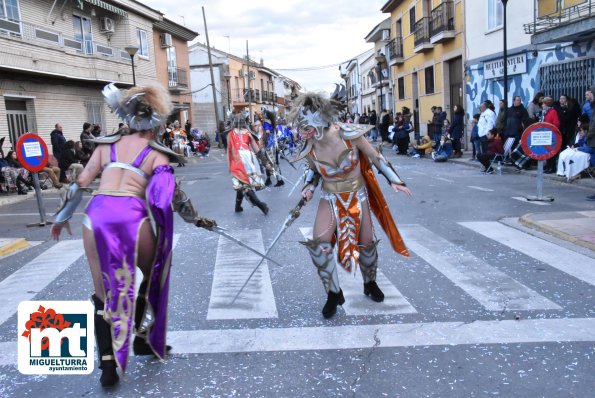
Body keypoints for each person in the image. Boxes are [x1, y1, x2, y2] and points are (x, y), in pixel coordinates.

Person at [50, 83, 216, 387]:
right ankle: (141, 336)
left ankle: (108, 366)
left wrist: (60, 218)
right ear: (155, 125)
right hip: (131, 217)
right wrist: (198, 219)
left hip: (96, 215)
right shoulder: (156, 155)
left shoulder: (104, 148)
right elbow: (172, 196)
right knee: (151, 275)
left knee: (102, 295)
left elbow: (79, 182)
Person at [290, 93, 412, 319]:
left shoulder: (349, 135)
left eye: (306, 126)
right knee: (319, 245)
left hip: (357, 195)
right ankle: (334, 293)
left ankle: (370, 283)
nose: (303, 132)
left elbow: (375, 158)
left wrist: (395, 180)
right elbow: (313, 170)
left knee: (366, 244)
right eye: (302, 127)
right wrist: (308, 187)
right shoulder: (310, 147)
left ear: (319, 121)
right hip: (330, 196)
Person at [227, 114, 269, 215]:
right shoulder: (248, 133)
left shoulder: (231, 134)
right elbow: (257, 150)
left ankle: (260, 205)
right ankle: (237, 206)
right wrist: (265, 163)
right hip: (248, 159)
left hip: (237, 159)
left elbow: (229, 149)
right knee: (242, 184)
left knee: (243, 184)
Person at [541, 96, 561, 174]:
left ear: (547, 104)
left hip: (551, 134)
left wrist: (549, 128)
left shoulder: (553, 112)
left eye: (543, 103)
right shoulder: (545, 112)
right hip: (546, 134)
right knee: (547, 151)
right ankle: (548, 166)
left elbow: (556, 123)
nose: (542, 105)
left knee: (551, 152)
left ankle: (552, 167)